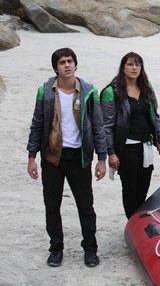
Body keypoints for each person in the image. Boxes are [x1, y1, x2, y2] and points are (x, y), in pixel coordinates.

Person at [26, 47, 107, 268]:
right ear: (56, 67)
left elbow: (98, 127)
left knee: (86, 206)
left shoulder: (90, 91)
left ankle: (90, 250)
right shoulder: (45, 92)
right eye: (62, 62)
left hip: (79, 156)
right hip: (52, 156)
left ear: (76, 64)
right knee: (52, 206)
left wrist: (102, 158)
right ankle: (56, 249)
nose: (67, 65)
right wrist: (32, 156)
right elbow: (37, 125)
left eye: (70, 61)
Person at [101, 52, 160, 219]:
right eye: (130, 64)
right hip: (126, 145)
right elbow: (106, 126)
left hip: (146, 143)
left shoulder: (146, 87)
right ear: (123, 67)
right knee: (129, 187)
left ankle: (138, 219)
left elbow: (154, 114)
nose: (134, 68)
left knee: (143, 185)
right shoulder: (112, 92)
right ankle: (134, 222)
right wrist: (111, 152)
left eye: (138, 64)